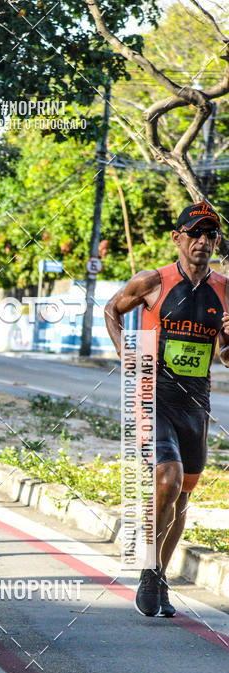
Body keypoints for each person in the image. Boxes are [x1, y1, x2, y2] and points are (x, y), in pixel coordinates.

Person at [105, 201, 229, 617]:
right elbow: (111, 309)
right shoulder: (153, 282)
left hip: (197, 403)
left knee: (184, 496)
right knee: (169, 478)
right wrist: (124, 348)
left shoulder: (226, 290)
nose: (202, 241)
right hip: (151, 394)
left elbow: (226, 357)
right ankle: (148, 566)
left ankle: (157, 575)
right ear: (177, 238)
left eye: (209, 234)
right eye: (193, 233)